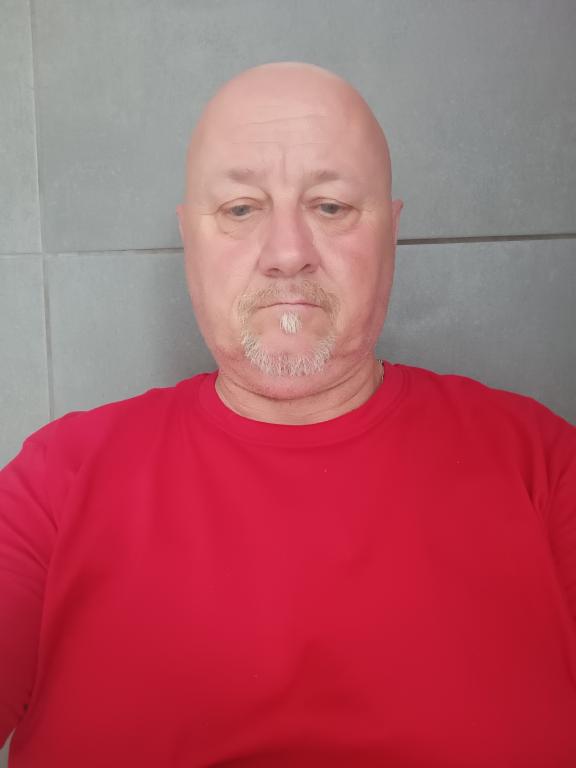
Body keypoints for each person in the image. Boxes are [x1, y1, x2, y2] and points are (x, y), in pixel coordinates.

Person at [1, 62, 575, 767]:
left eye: (330, 207)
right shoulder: (53, 486)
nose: (287, 255)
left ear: (391, 233)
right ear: (189, 240)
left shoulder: (544, 469)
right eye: (241, 209)